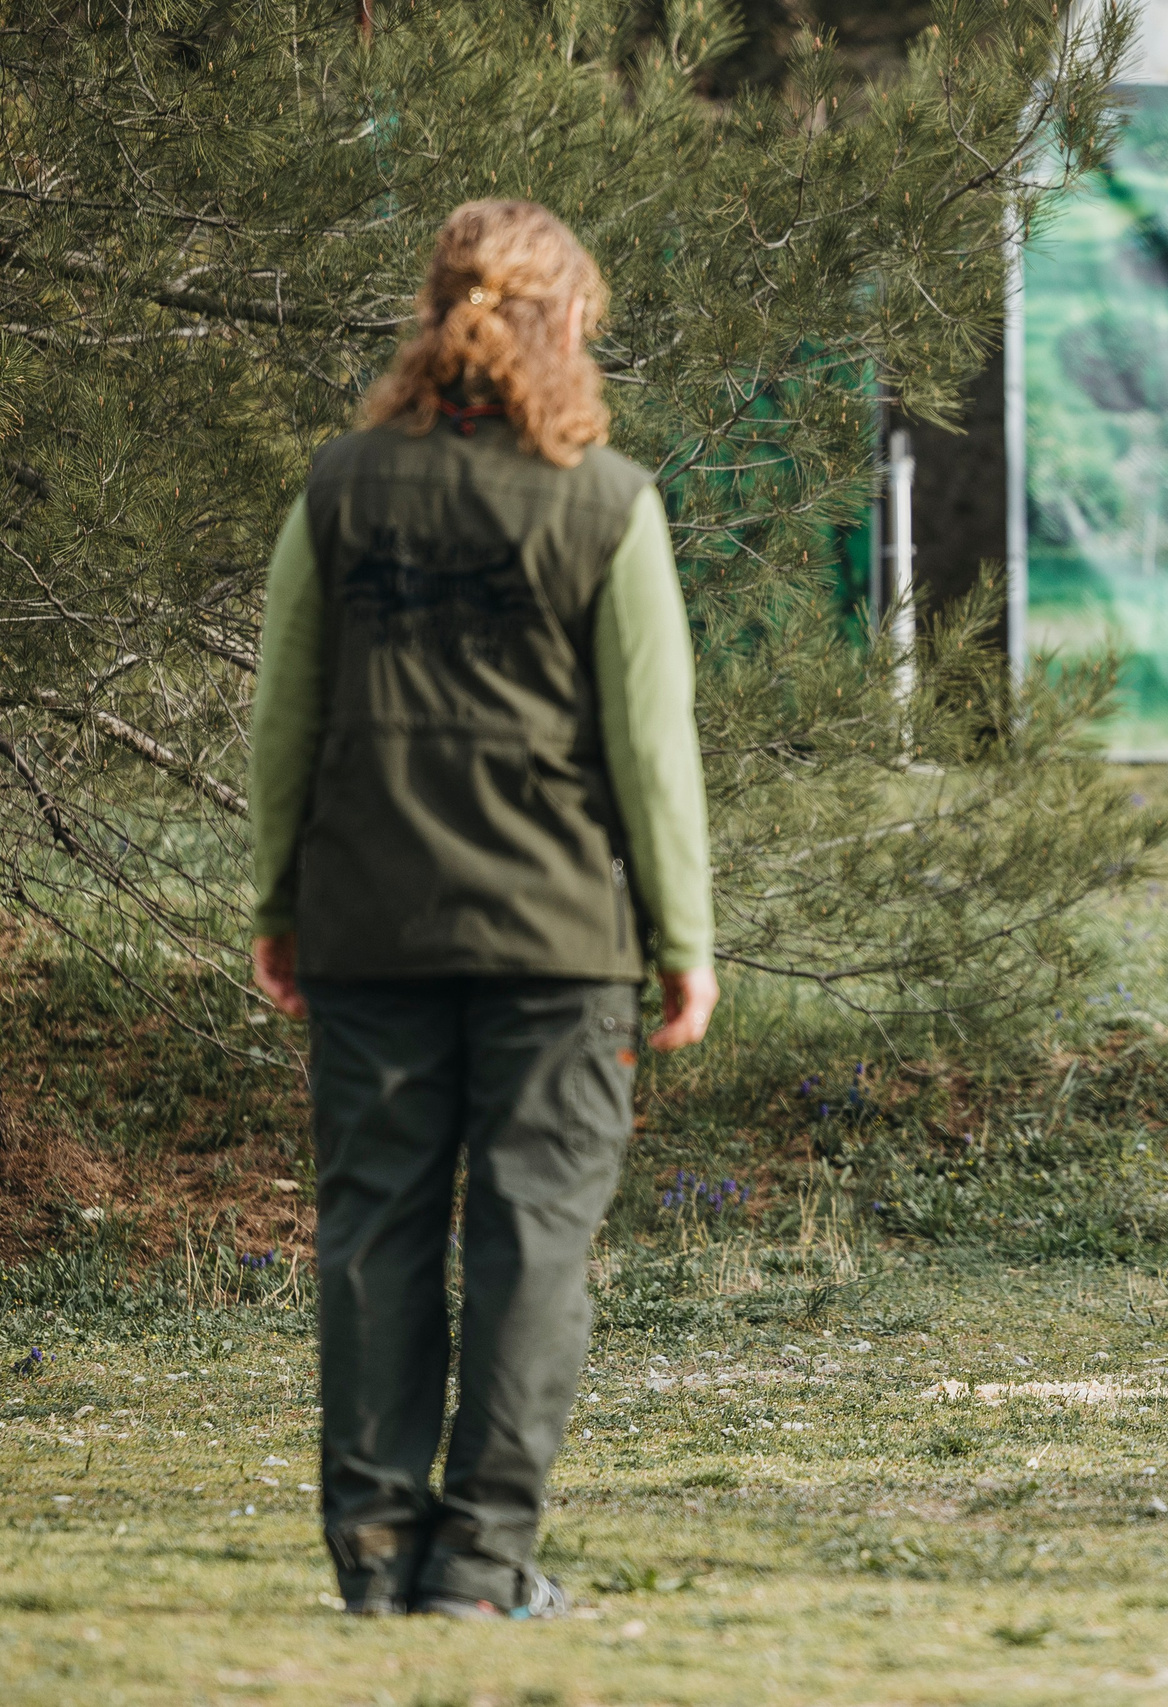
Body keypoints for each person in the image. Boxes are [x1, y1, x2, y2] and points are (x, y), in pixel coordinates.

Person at [245, 201, 716, 1617]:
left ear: (432, 316)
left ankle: (378, 1556)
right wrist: (683, 940)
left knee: (373, 1233)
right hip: (560, 948)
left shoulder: (336, 490)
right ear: (563, 325)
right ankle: (483, 1564)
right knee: (533, 1244)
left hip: (373, 928)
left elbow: (286, 718)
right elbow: (652, 744)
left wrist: (278, 901)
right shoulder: (609, 503)